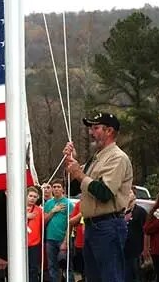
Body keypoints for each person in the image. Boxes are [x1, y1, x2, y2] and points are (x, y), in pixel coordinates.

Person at [64, 112, 133, 282]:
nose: (90, 132)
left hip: (108, 226)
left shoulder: (117, 157)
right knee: (94, 277)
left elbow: (105, 193)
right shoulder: (96, 158)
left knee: (110, 277)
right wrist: (71, 164)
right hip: (93, 227)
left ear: (109, 131)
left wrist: (79, 174)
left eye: (95, 128)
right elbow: (73, 189)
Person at [43, 179, 74, 282]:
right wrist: (53, 211)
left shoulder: (68, 204)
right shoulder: (48, 204)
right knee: (52, 267)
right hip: (50, 239)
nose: (56, 189)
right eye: (54, 187)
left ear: (63, 189)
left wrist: (66, 241)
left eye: (58, 187)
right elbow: (44, 221)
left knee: (67, 267)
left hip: (63, 239)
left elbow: (71, 223)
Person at [124, 188, 147, 282]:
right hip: (120, 249)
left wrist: (145, 249)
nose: (127, 194)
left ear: (134, 196)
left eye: (130, 192)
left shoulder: (140, 212)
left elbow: (146, 231)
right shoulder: (118, 211)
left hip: (135, 251)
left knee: (134, 275)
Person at [27, 186, 43, 282]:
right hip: (20, 244)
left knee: (33, 268)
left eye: (34, 197)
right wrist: (24, 216)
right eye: (30, 196)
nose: (32, 198)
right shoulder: (17, 208)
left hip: (34, 244)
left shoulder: (39, 210)